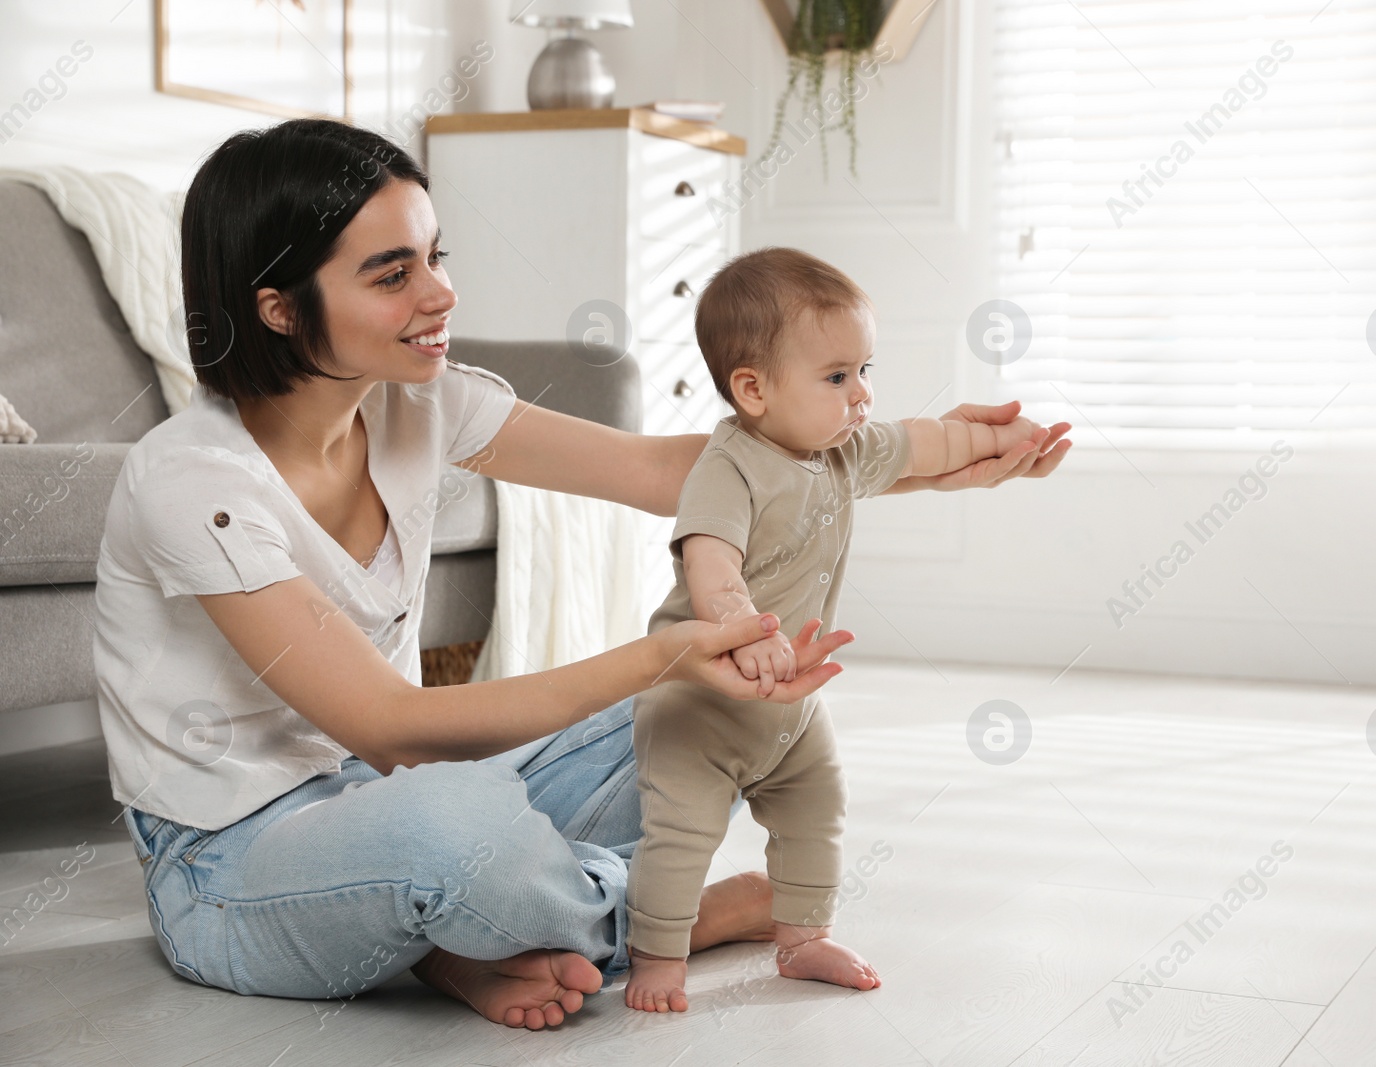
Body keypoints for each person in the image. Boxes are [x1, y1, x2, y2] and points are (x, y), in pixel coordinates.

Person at [91, 117, 1073, 1032]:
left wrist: (939, 460)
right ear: (276, 307)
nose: (440, 294)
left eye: (436, 256)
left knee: (716, 715)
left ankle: (460, 936)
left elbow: (664, 471)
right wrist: (663, 655)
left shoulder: (421, 407)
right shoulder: (192, 482)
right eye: (391, 274)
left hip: (380, 792)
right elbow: (387, 723)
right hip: (225, 865)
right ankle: (669, 909)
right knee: (457, 825)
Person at [624, 248, 1046, 1012]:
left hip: (790, 703)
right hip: (699, 700)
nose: (862, 395)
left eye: (865, 370)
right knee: (681, 836)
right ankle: (657, 954)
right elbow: (709, 562)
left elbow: (928, 443)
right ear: (752, 389)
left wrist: (1005, 442)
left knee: (819, 806)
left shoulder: (842, 452)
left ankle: (802, 936)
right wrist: (741, 629)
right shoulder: (730, 466)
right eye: (837, 376)